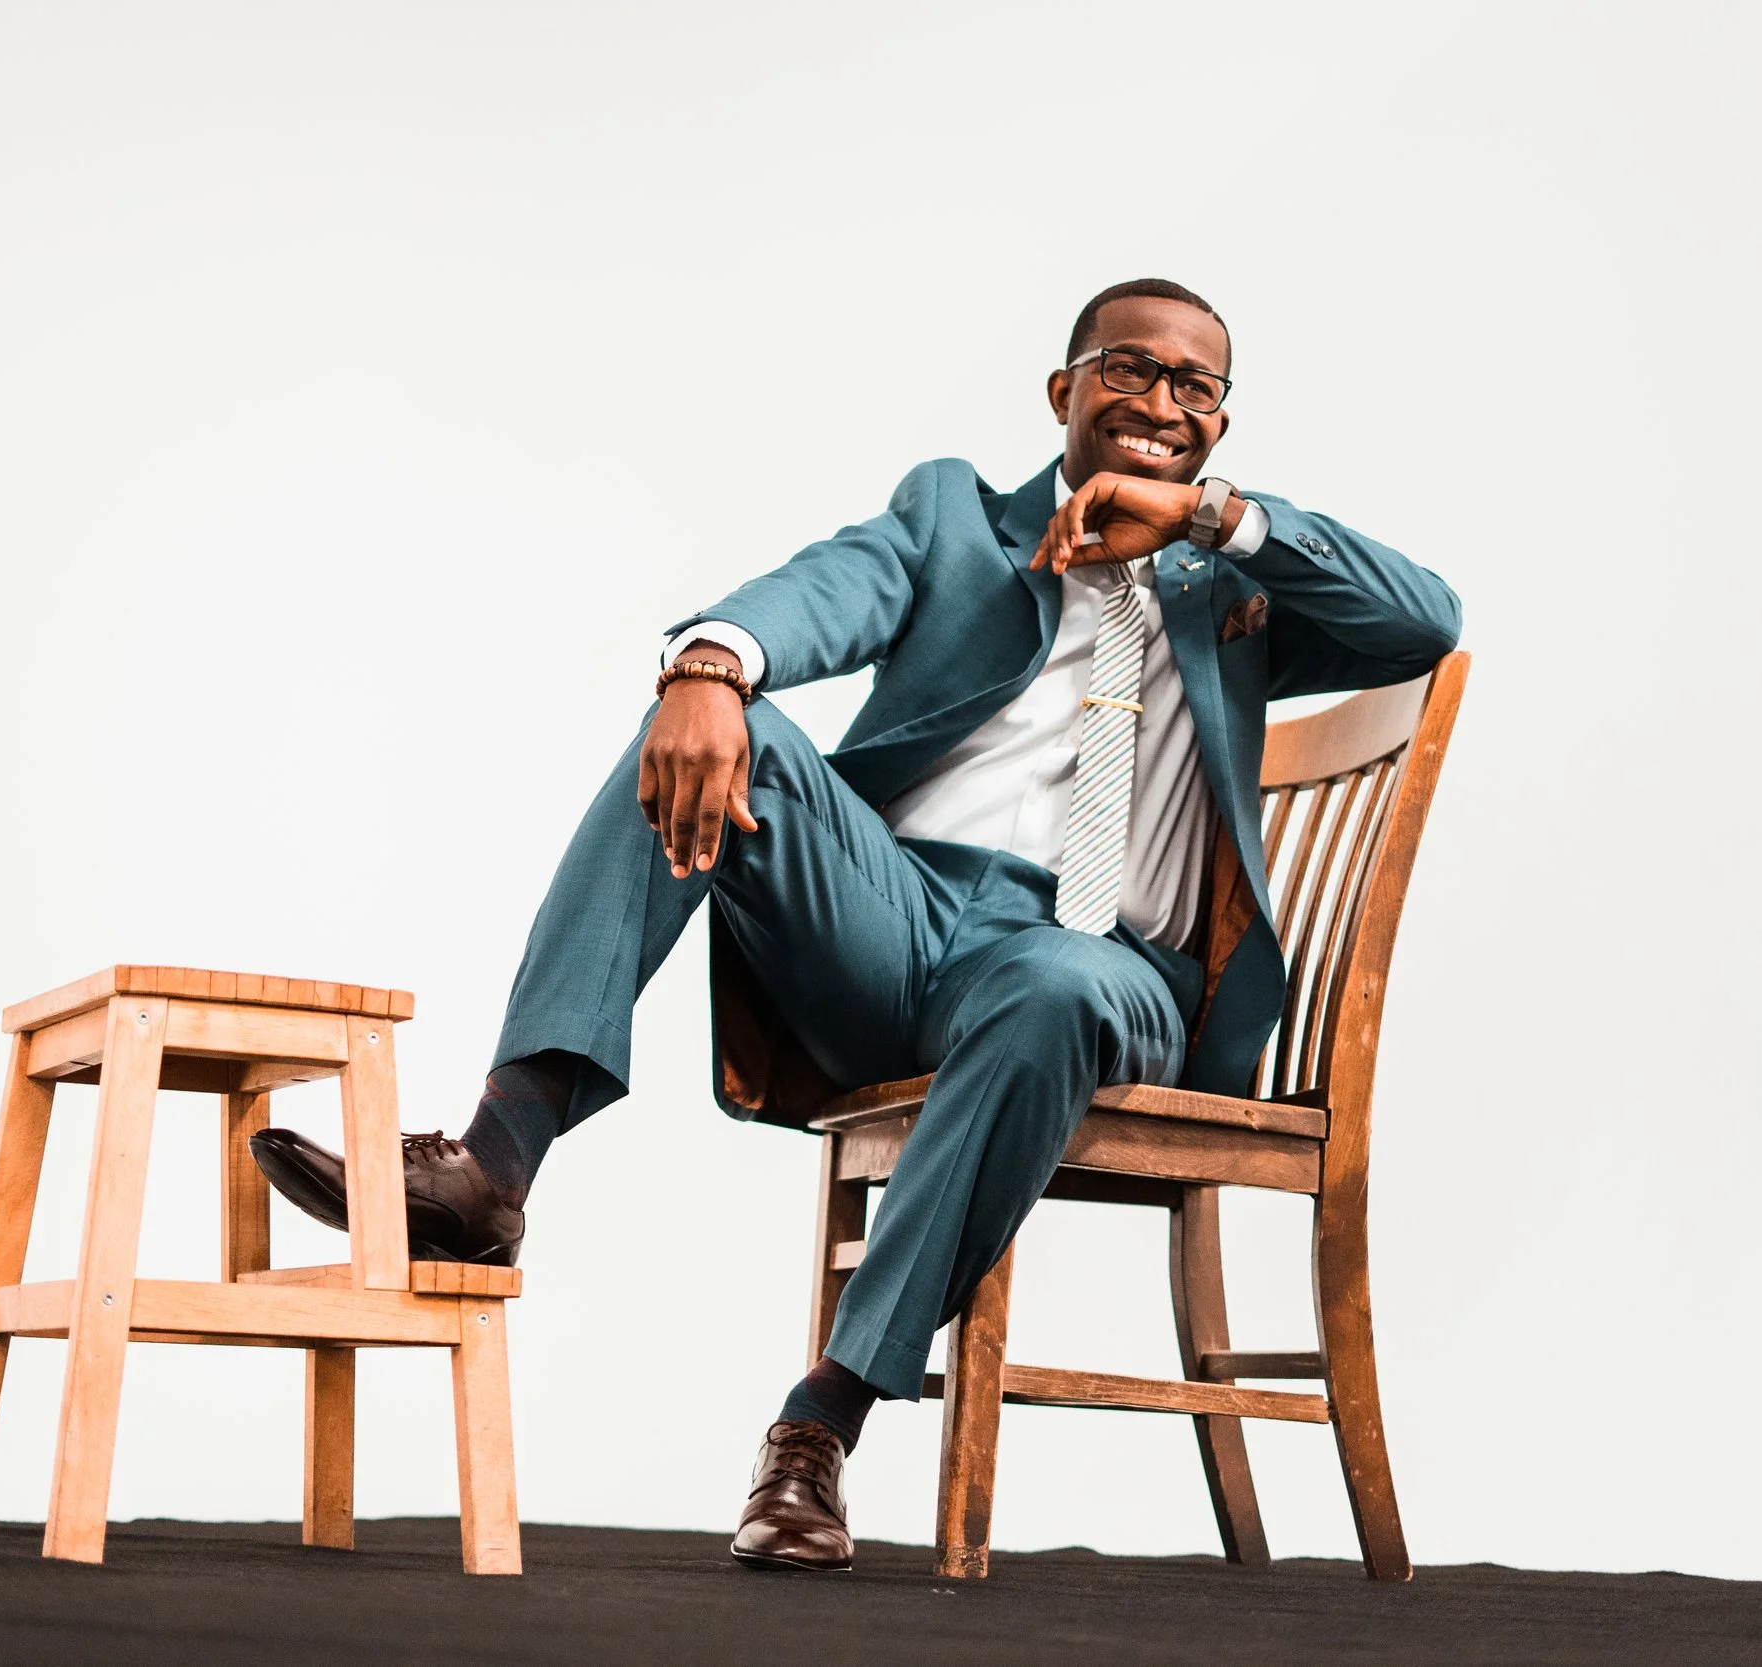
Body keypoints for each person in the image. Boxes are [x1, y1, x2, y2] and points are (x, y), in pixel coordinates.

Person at [252, 278, 1462, 1572]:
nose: (1160, 401)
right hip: (903, 920)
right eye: (1127, 369)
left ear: (1219, 421)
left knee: (1050, 981)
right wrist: (710, 664)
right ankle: (497, 1161)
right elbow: (822, 591)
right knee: (723, 730)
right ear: (1065, 393)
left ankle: (817, 1425)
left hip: (1107, 969)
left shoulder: (1240, 590)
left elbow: (1427, 619)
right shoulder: (954, 519)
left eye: (1194, 385)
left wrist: (1212, 522)